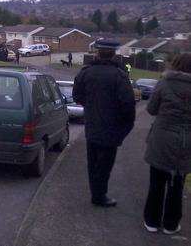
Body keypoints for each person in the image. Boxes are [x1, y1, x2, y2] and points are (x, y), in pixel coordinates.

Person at [73, 39, 136, 207]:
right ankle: (100, 196)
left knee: (93, 164)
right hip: (111, 128)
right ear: (114, 54)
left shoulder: (86, 72)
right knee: (105, 164)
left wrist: (91, 107)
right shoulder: (119, 75)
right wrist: (124, 129)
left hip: (92, 126)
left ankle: (97, 194)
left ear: (97, 52)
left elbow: (77, 96)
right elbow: (128, 104)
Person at [143, 53, 191, 234]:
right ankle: (171, 224)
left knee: (156, 182)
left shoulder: (164, 83)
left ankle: (152, 221)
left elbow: (151, 109)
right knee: (177, 183)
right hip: (187, 140)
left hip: (162, 138)